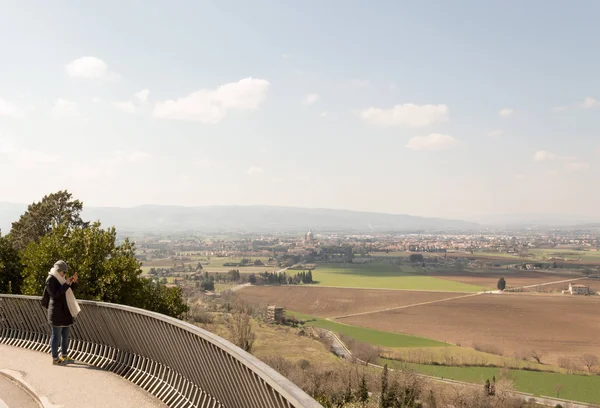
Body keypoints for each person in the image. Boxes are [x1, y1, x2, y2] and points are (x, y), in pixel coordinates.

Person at [46, 260, 81, 365]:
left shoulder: (61, 279)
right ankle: (55, 359)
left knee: (65, 335)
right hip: (56, 312)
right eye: (64, 272)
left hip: (65, 311)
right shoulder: (50, 279)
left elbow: (68, 291)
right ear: (58, 270)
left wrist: (73, 282)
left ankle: (64, 356)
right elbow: (55, 295)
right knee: (56, 336)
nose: (65, 274)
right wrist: (66, 284)